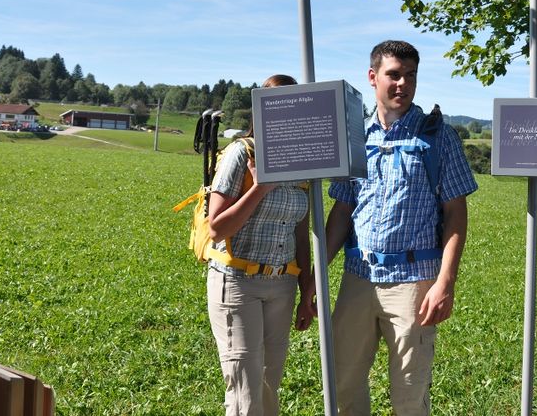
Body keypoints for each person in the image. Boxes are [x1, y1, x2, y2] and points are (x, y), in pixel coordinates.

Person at [325, 40, 478, 415]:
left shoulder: (438, 137)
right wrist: (316, 272)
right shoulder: (356, 138)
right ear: (373, 77)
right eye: (394, 74)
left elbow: (456, 213)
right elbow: (343, 209)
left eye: (410, 75)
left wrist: (445, 283)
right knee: (343, 384)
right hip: (358, 277)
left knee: (409, 396)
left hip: (414, 283)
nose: (402, 84)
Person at [205, 73, 316, 416]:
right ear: (262, 110)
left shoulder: (303, 163)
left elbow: (300, 233)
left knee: (268, 385)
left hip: (282, 286)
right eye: (276, 105)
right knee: (246, 390)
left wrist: (306, 292)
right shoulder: (241, 153)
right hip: (237, 283)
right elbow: (217, 228)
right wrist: (261, 187)